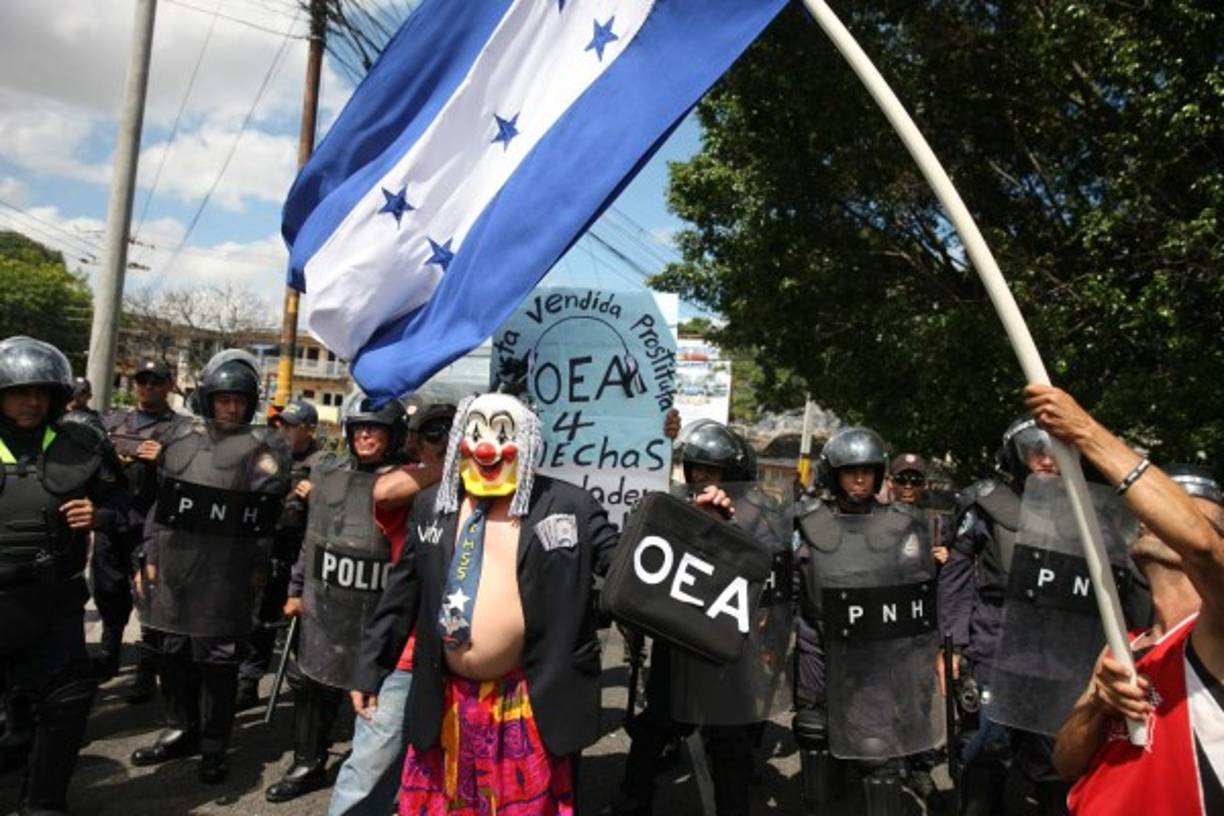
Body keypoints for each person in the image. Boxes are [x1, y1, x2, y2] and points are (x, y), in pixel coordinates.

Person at [1024, 385, 1224, 815]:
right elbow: (1065, 763)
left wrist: (1086, 432)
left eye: (1178, 510)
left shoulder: (1214, 634)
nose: (1151, 517)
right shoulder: (1124, 643)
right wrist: (1097, 705)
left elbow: (1203, 547)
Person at [603, 421, 789, 816]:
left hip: (729, 654)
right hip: (678, 643)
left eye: (712, 469)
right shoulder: (675, 509)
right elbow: (646, 568)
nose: (701, 476)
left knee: (730, 741)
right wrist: (633, 619)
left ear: (732, 473)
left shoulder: (759, 518)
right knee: (653, 727)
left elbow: (769, 581)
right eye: (695, 468)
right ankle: (632, 801)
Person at [130, 349, 290, 785]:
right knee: (171, 650)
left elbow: (265, 514)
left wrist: (257, 567)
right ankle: (182, 726)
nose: (232, 408)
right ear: (208, 400)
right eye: (223, 399)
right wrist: (151, 555)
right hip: (176, 563)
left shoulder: (261, 452)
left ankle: (215, 744)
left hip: (226, 571)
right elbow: (160, 507)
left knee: (216, 660)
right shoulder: (180, 442)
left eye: (239, 401)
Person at [0, 336, 127, 814]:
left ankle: (43, 804)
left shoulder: (82, 443)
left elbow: (124, 504)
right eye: (18, 391)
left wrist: (102, 516)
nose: (31, 401)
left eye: (40, 392)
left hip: (54, 601)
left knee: (67, 702)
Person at [264, 393, 407, 803]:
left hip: (381, 609)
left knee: (379, 696)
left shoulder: (406, 481)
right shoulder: (332, 474)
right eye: (359, 427)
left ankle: (380, 777)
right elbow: (315, 538)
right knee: (311, 682)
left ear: (392, 434)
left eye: (375, 427)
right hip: (329, 600)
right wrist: (295, 590)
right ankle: (308, 761)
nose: (365, 434)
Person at [794, 427, 938, 815]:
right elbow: (789, 585)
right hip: (819, 643)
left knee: (876, 750)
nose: (859, 479)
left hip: (873, 652)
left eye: (867, 471)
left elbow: (918, 596)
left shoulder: (900, 525)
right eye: (849, 471)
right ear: (833, 475)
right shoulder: (806, 522)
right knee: (814, 732)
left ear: (878, 475)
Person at [937, 415, 1076, 815]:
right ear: (1017, 457)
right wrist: (951, 647)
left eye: (1055, 452)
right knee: (986, 751)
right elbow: (956, 580)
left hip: (1058, 653)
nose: (1047, 461)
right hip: (995, 640)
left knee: (1054, 760)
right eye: (1037, 451)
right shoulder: (986, 504)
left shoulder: (1083, 507)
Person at [326, 398, 454, 816]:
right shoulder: (410, 483)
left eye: (458, 431)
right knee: (370, 770)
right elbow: (385, 491)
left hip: (474, 659)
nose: (449, 440)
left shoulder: (495, 486)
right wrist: (460, 466)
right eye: (436, 433)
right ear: (417, 445)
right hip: (408, 655)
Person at [237, 396, 334, 709]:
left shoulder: (325, 464)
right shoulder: (270, 457)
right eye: (281, 425)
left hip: (303, 555)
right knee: (260, 618)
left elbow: (341, 509)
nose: (284, 431)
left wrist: (318, 496)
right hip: (269, 548)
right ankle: (248, 680)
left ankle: (306, 685)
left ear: (309, 429)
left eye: (292, 426)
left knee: (303, 625)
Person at [94, 358, 179, 693]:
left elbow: (192, 474)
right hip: (111, 521)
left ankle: (146, 669)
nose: (148, 386)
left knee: (149, 598)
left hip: (151, 526)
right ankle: (108, 655)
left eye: (156, 381)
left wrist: (165, 458)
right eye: (142, 380)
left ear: (170, 385)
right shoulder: (114, 420)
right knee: (107, 591)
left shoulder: (181, 430)